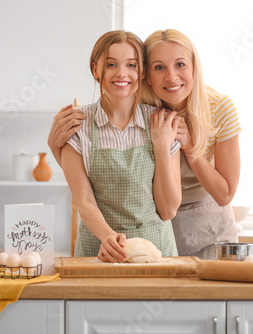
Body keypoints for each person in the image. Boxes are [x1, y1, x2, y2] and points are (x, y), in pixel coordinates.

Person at [49, 29, 241, 258]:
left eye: (180, 64)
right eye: (159, 67)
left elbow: (223, 195)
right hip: (132, 236)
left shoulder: (211, 110)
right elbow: (86, 191)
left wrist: (184, 145)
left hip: (204, 224)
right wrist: (55, 146)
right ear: (147, 75)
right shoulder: (129, 108)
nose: (171, 77)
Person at [52, 30, 182, 263]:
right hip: (98, 253)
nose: (122, 73)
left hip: (157, 255)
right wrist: (110, 239)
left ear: (141, 71)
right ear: (96, 70)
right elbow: (84, 200)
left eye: (131, 65)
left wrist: (162, 147)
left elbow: (169, 210)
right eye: (111, 64)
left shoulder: (162, 122)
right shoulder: (78, 125)